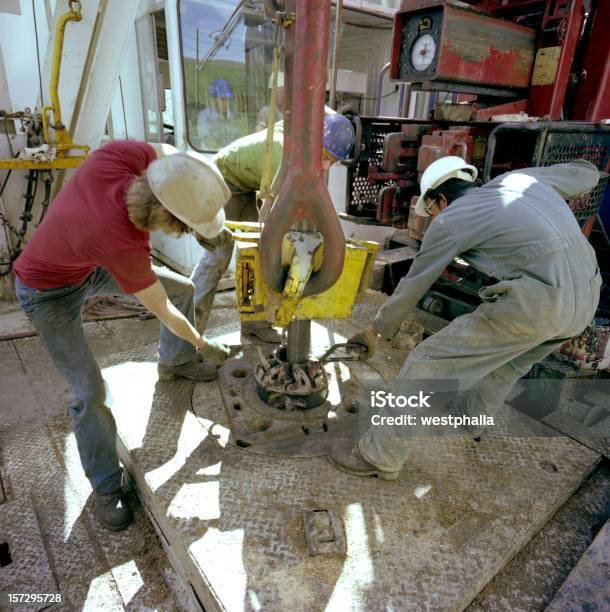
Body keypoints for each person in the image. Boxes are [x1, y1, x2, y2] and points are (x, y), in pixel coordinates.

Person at [329, 156, 602, 480]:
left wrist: (377, 331)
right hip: (588, 297)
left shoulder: (450, 219)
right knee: (507, 364)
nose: (432, 219)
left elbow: (415, 283)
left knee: (428, 363)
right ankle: (469, 421)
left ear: (441, 199)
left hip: (538, 302)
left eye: (430, 211)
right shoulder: (522, 180)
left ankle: (379, 455)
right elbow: (587, 174)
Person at [13, 140, 234, 531]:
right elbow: (162, 310)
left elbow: (168, 150)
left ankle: (176, 363)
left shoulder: (118, 158)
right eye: (182, 227)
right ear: (165, 216)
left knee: (183, 287)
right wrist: (204, 342)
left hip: (84, 264)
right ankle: (106, 488)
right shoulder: (123, 243)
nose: (181, 234)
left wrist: (198, 196)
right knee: (89, 392)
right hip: (45, 292)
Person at [192, 110, 357, 342]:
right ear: (313, 143)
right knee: (217, 258)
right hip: (219, 182)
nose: (328, 166)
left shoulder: (301, 143)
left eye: (334, 161)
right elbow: (276, 211)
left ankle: (255, 323)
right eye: (325, 157)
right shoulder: (286, 155)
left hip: (243, 187)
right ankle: (184, 342)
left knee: (261, 253)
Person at [197, 79, 242, 150]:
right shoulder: (205, 115)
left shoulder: (232, 115)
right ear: (214, 99)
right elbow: (205, 137)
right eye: (223, 99)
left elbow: (236, 136)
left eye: (228, 99)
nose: (226, 103)